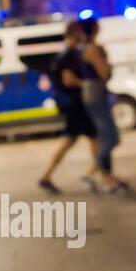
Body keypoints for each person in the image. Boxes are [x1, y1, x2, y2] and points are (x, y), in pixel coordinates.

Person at [38, 20, 99, 193]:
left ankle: (96, 172)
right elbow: (68, 79)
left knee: (83, 140)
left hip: (73, 105)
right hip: (76, 105)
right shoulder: (70, 55)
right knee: (90, 139)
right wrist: (87, 85)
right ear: (75, 34)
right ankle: (98, 174)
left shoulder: (64, 54)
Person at [74, 17, 129, 193]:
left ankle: (106, 177)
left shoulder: (85, 48)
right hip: (96, 94)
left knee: (106, 137)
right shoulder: (93, 49)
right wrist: (106, 61)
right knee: (110, 138)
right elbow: (104, 73)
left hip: (93, 94)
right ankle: (95, 172)